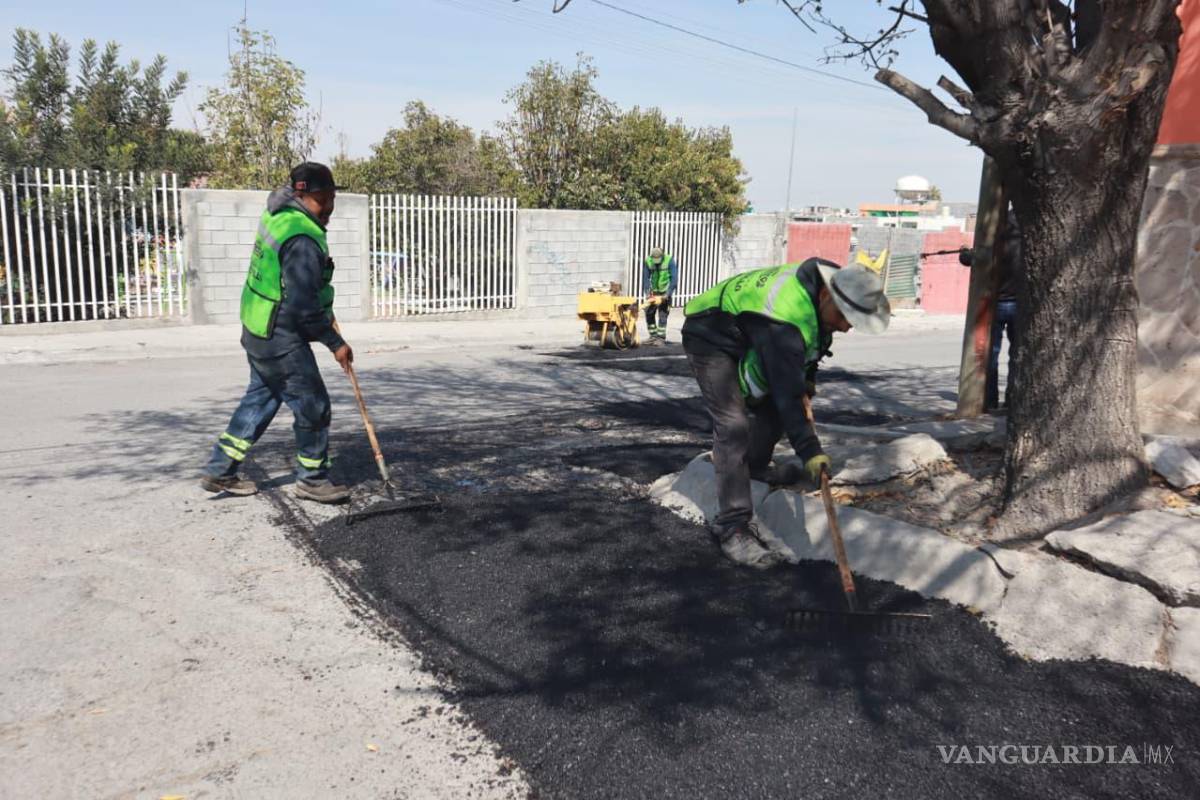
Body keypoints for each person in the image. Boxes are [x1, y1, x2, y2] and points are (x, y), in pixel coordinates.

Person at [681, 258, 891, 568]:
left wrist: (806, 378)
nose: (847, 327)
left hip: (748, 329)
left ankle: (753, 467)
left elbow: (809, 351)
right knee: (732, 424)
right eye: (845, 318)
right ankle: (733, 525)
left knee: (773, 408)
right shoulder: (786, 320)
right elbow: (788, 395)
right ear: (824, 297)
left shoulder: (834, 282)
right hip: (709, 333)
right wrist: (810, 451)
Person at [200, 162, 354, 504]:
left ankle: (220, 468)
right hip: (280, 335)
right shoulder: (302, 238)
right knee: (313, 406)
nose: (331, 206)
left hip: (257, 326)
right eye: (328, 198)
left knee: (261, 398)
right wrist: (335, 344)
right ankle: (312, 479)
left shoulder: (278, 214)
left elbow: (295, 287)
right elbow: (302, 308)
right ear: (315, 195)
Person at [959, 213, 1021, 410]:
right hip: (1020, 305)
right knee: (1017, 355)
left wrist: (965, 253)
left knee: (990, 355)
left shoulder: (993, 244)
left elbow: (972, 259)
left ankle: (990, 400)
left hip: (994, 305)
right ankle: (1013, 400)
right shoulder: (1029, 242)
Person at [642, 247, 678, 344]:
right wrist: (647, 292)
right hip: (654, 292)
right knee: (649, 313)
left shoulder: (669, 260)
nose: (656, 262)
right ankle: (653, 336)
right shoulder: (648, 261)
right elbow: (646, 278)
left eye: (658, 260)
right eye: (655, 260)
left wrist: (668, 293)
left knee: (663, 315)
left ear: (662, 256)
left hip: (665, 292)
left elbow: (674, 279)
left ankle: (661, 338)